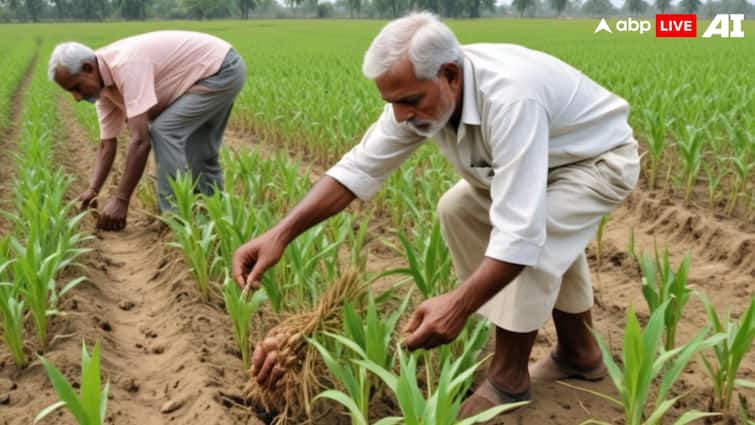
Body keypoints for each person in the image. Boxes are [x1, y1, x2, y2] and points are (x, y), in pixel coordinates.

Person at [232, 12, 639, 419]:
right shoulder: (419, 95)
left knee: (533, 235)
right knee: (457, 208)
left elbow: (519, 234)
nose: (401, 115)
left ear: (450, 75)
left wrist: (458, 305)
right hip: (535, 163)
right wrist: (280, 235)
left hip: (593, 163)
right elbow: (359, 168)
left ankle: (508, 378)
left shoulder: (512, 97)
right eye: (391, 103)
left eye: (409, 101)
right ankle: (579, 353)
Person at [48, 31, 246, 230]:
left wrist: (121, 199)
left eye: (77, 87)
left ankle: (174, 220)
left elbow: (141, 140)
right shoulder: (103, 87)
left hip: (221, 69)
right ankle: (217, 219)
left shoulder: (126, 66)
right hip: (212, 70)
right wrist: (93, 189)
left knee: (164, 131)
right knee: (201, 154)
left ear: (88, 68)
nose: (77, 97)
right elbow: (107, 145)